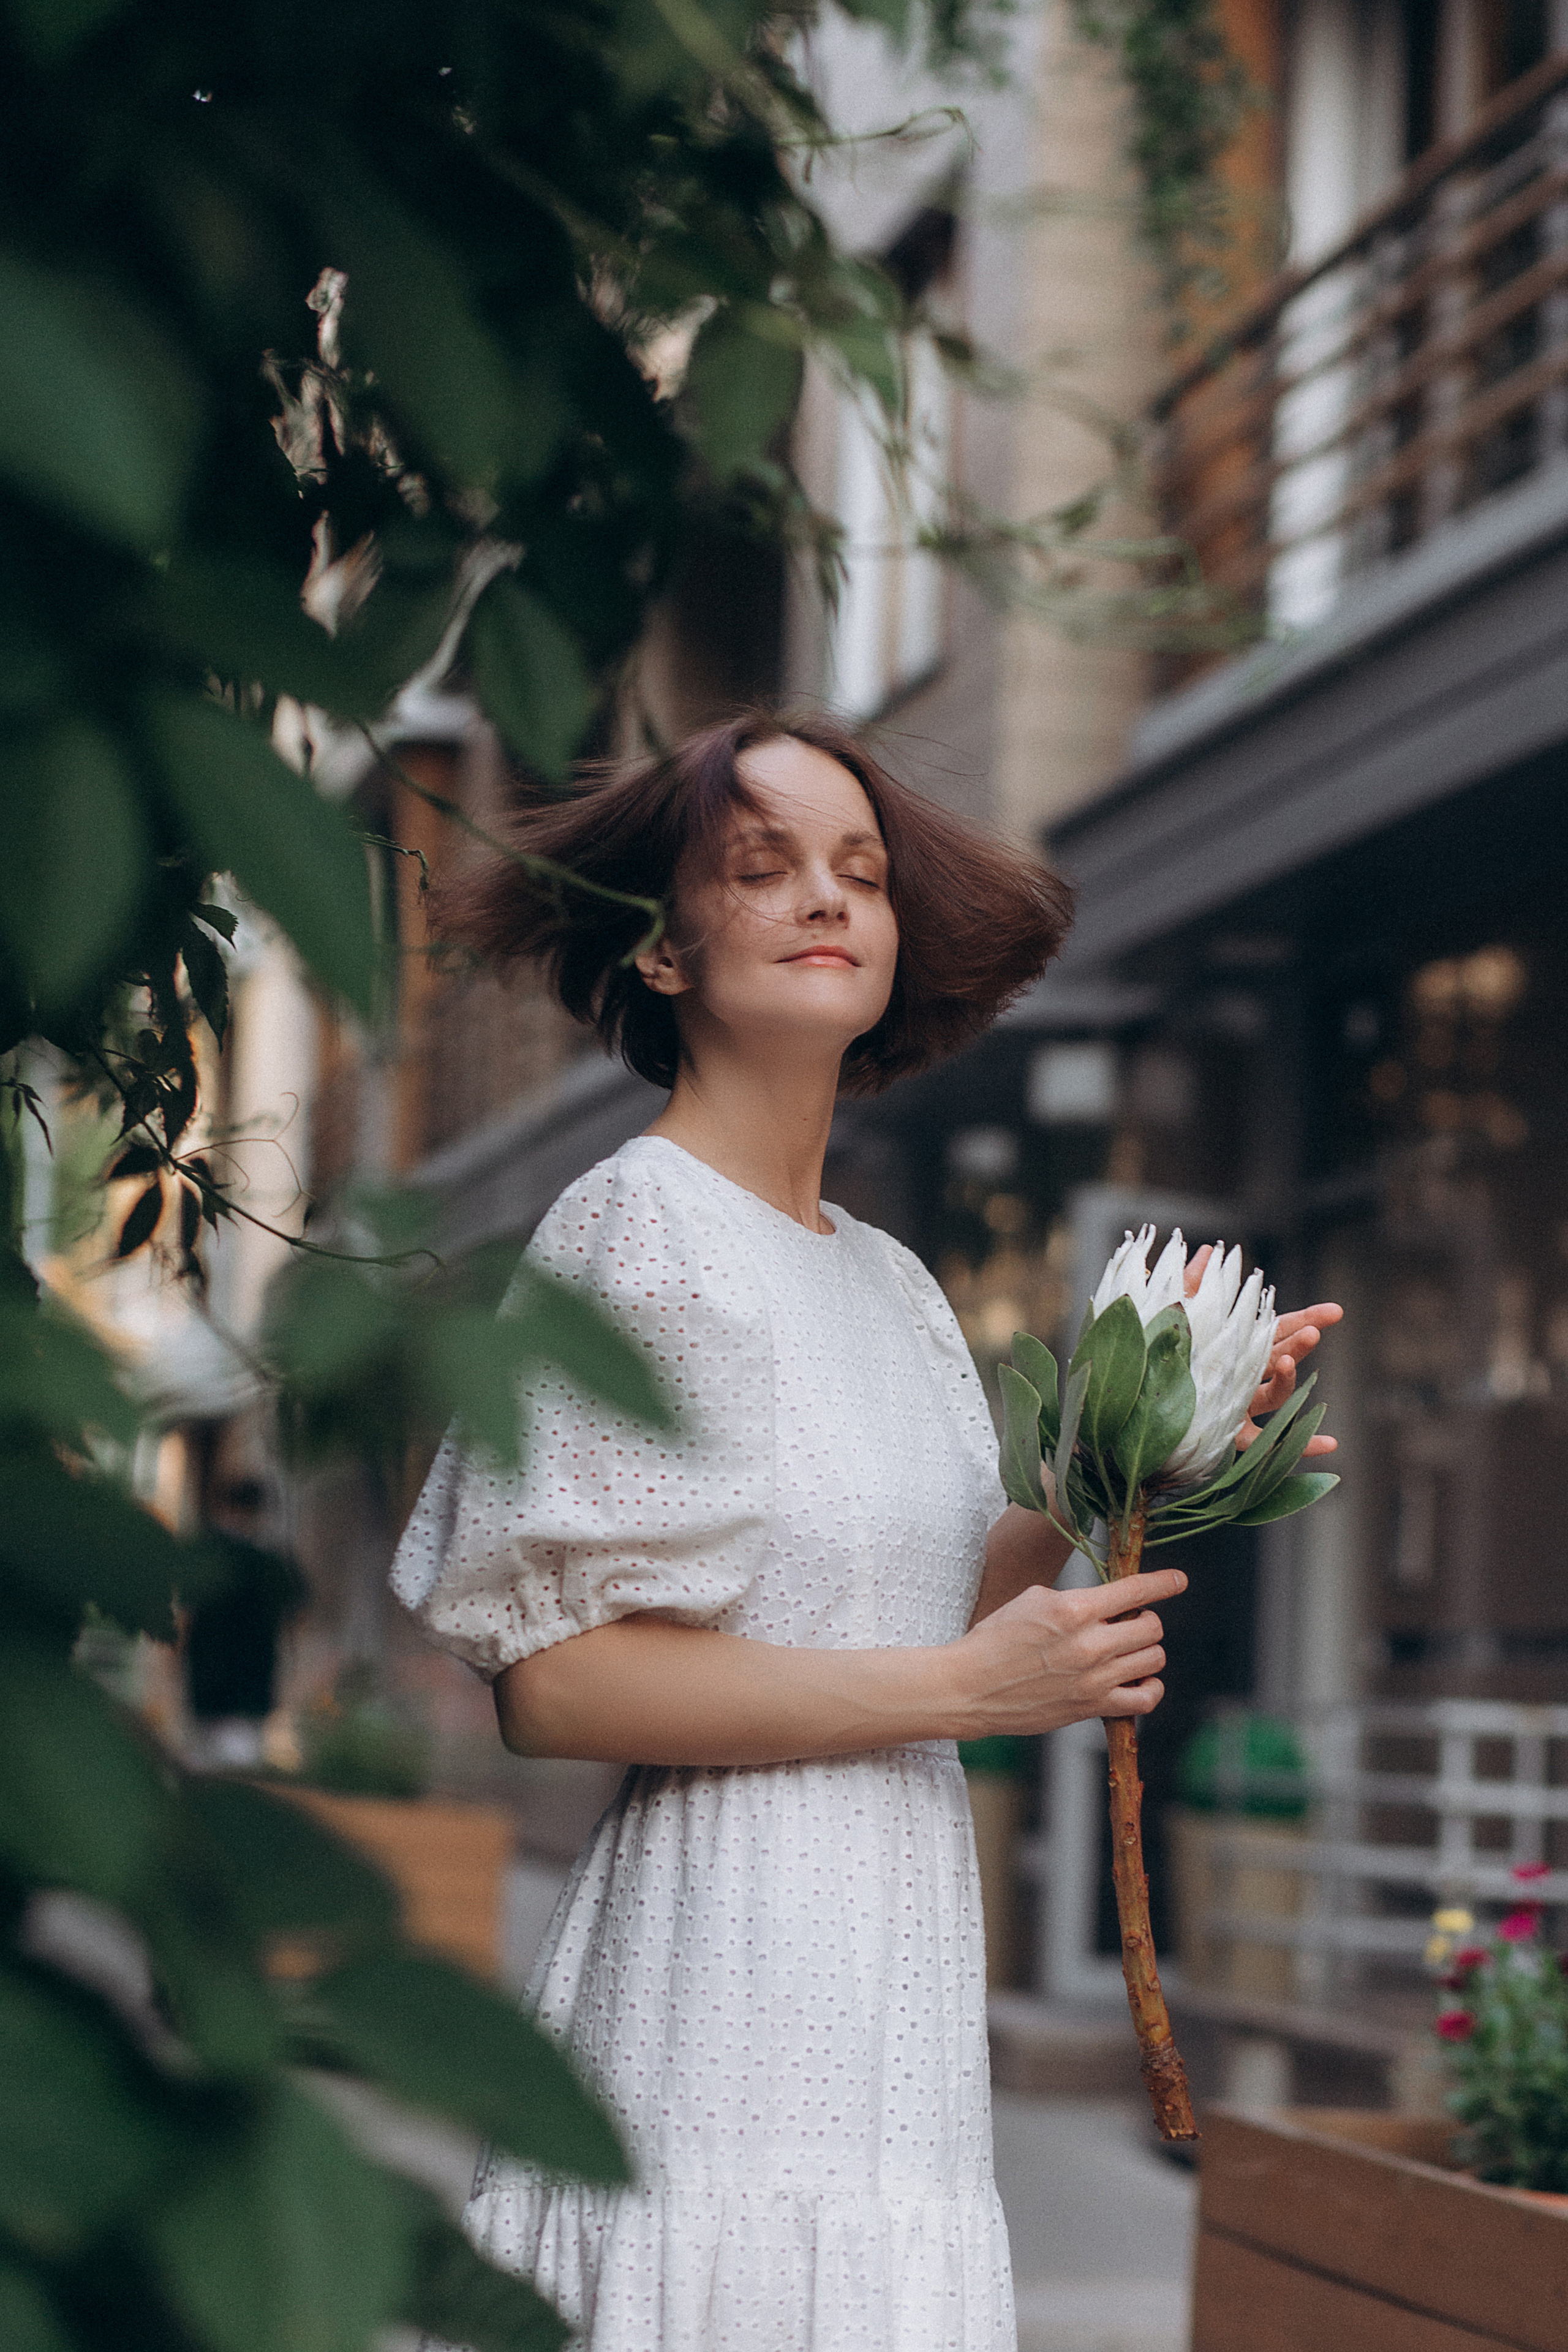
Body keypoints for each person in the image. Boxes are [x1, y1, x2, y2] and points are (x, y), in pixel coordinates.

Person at [391, 713, 1340, 2352]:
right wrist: (969, 1696)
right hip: (724, 1987)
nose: (829, 899)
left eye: (861, 871)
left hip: (888, 2004)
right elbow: (556, 1690)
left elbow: (894, 1599)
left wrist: (1132, 1452)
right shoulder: (640, 1229)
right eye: (763, 869)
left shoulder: (891, 1277)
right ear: (666, 951)